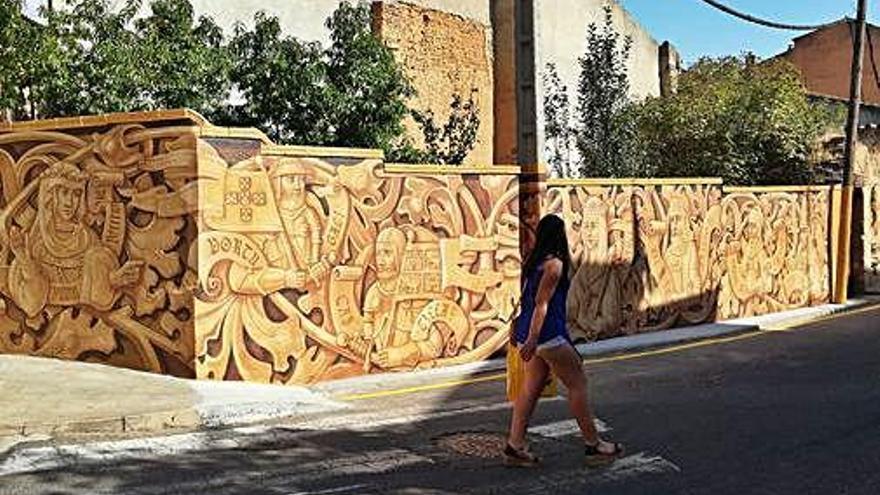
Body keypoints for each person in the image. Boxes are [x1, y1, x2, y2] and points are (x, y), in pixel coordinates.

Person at [505, 214, 625, 468]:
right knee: (577, 383)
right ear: (560, 236)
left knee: (531, 387)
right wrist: (534, 340)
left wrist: (527, 339)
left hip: (530, 333)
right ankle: (594, 445)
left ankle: (514, 446)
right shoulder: (554, 265)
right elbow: (541, 305)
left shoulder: (533, 262)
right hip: (546, 334)